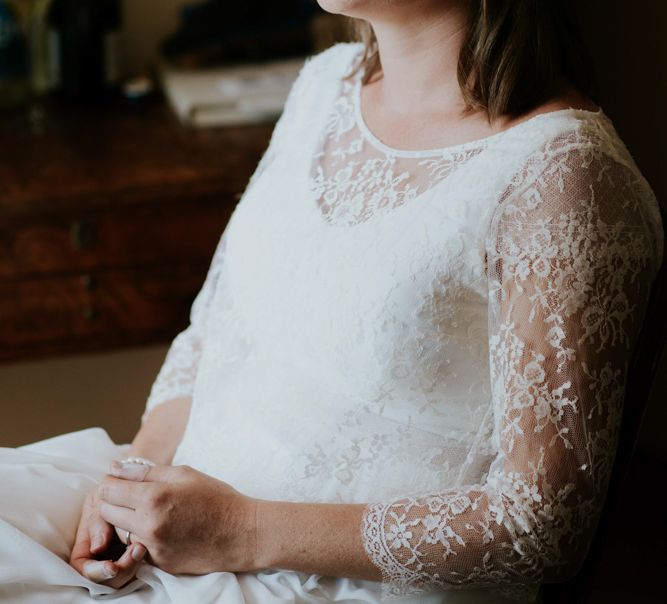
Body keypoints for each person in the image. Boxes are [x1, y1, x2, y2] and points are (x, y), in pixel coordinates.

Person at [0, 1, 663, 603]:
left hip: (345, 585)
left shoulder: (565, 177)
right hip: (186, 518)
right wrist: (132, 479)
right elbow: (216, 331)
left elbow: (540, 526)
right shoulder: (326, 82)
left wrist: (241, 529)